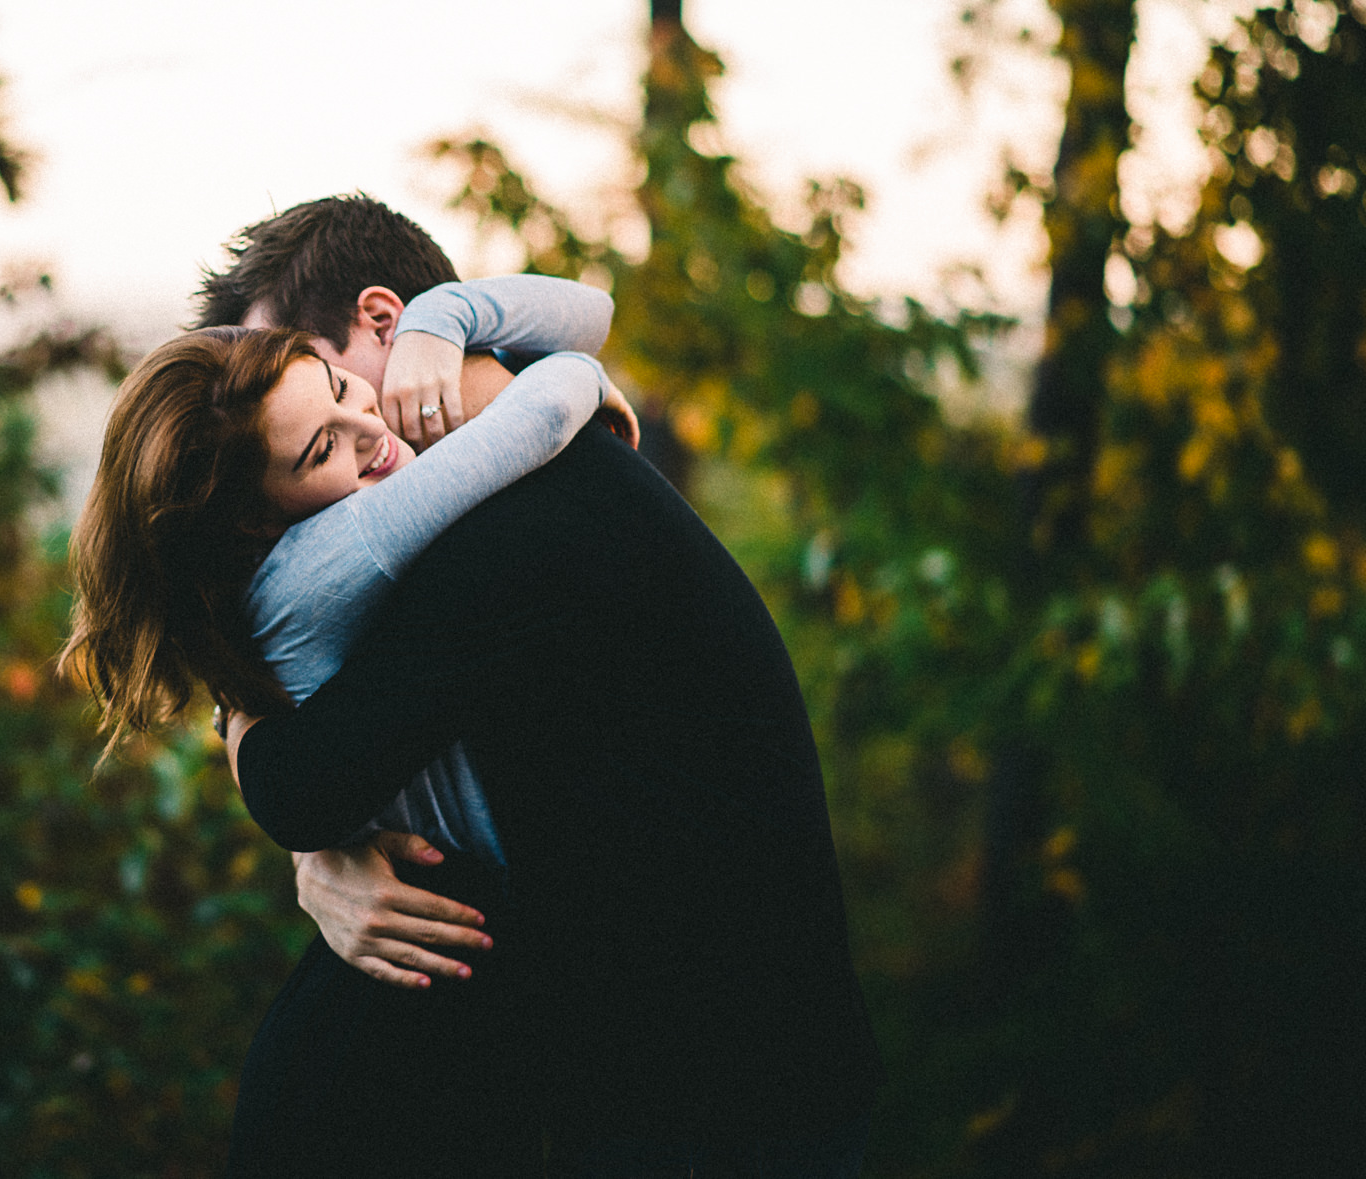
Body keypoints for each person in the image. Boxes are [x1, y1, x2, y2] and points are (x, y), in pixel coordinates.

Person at [213, 197, 882, 1173]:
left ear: (384, 326)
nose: (323, 442)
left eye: (311, 384)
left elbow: (298, 777)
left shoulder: (514, 529)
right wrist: (322, 865)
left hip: (726, 1107)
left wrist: (302, 824)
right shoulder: (525, 474)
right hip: (687, 1077)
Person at [64, 238, 627, 1170]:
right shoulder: (346, 541)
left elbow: (588, 307)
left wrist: (437, 324)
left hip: (419, 1012)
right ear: (255, 512)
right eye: (323, 445)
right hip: (375, 1069)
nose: (371, 430)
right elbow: (555, 395)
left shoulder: (271, 565)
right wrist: (538, 377)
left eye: (335, 386)